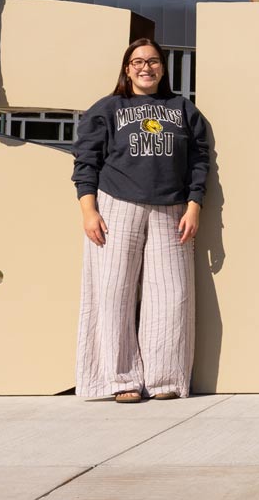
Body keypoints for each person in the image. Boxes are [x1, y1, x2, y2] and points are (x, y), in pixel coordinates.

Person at [71, 37, 213, 403]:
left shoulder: (183, 109)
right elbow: (85, 161)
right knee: (113, 294)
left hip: (172, 209)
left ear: (163, 68)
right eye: (138, 62)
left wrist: (194, 205)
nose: (145, 67)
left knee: (171, 296)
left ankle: (165, 379)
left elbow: (200, 160)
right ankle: (121, 381)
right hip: (117, 205)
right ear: (127, 69)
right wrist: (89, 210)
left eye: (152, 61)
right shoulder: (108, 108)